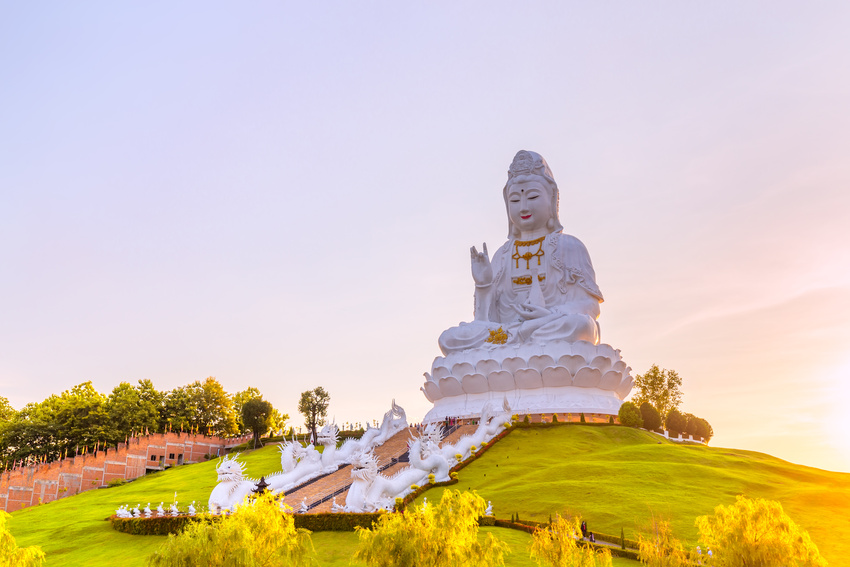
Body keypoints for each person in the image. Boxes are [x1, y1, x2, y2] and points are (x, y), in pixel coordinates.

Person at [438, 150, 603, 355]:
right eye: (515, 200)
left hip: (551, 326)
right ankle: (522, 339)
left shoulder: (569, 246)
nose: (523, 207)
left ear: (552, 201)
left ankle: (523, 340)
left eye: (532, 197)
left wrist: (550, 315)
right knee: (449, 339)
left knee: (581, 326)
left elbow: (590, 306)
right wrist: (483, 284)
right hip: (506, 333)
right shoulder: (502, 254)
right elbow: (485, 321)